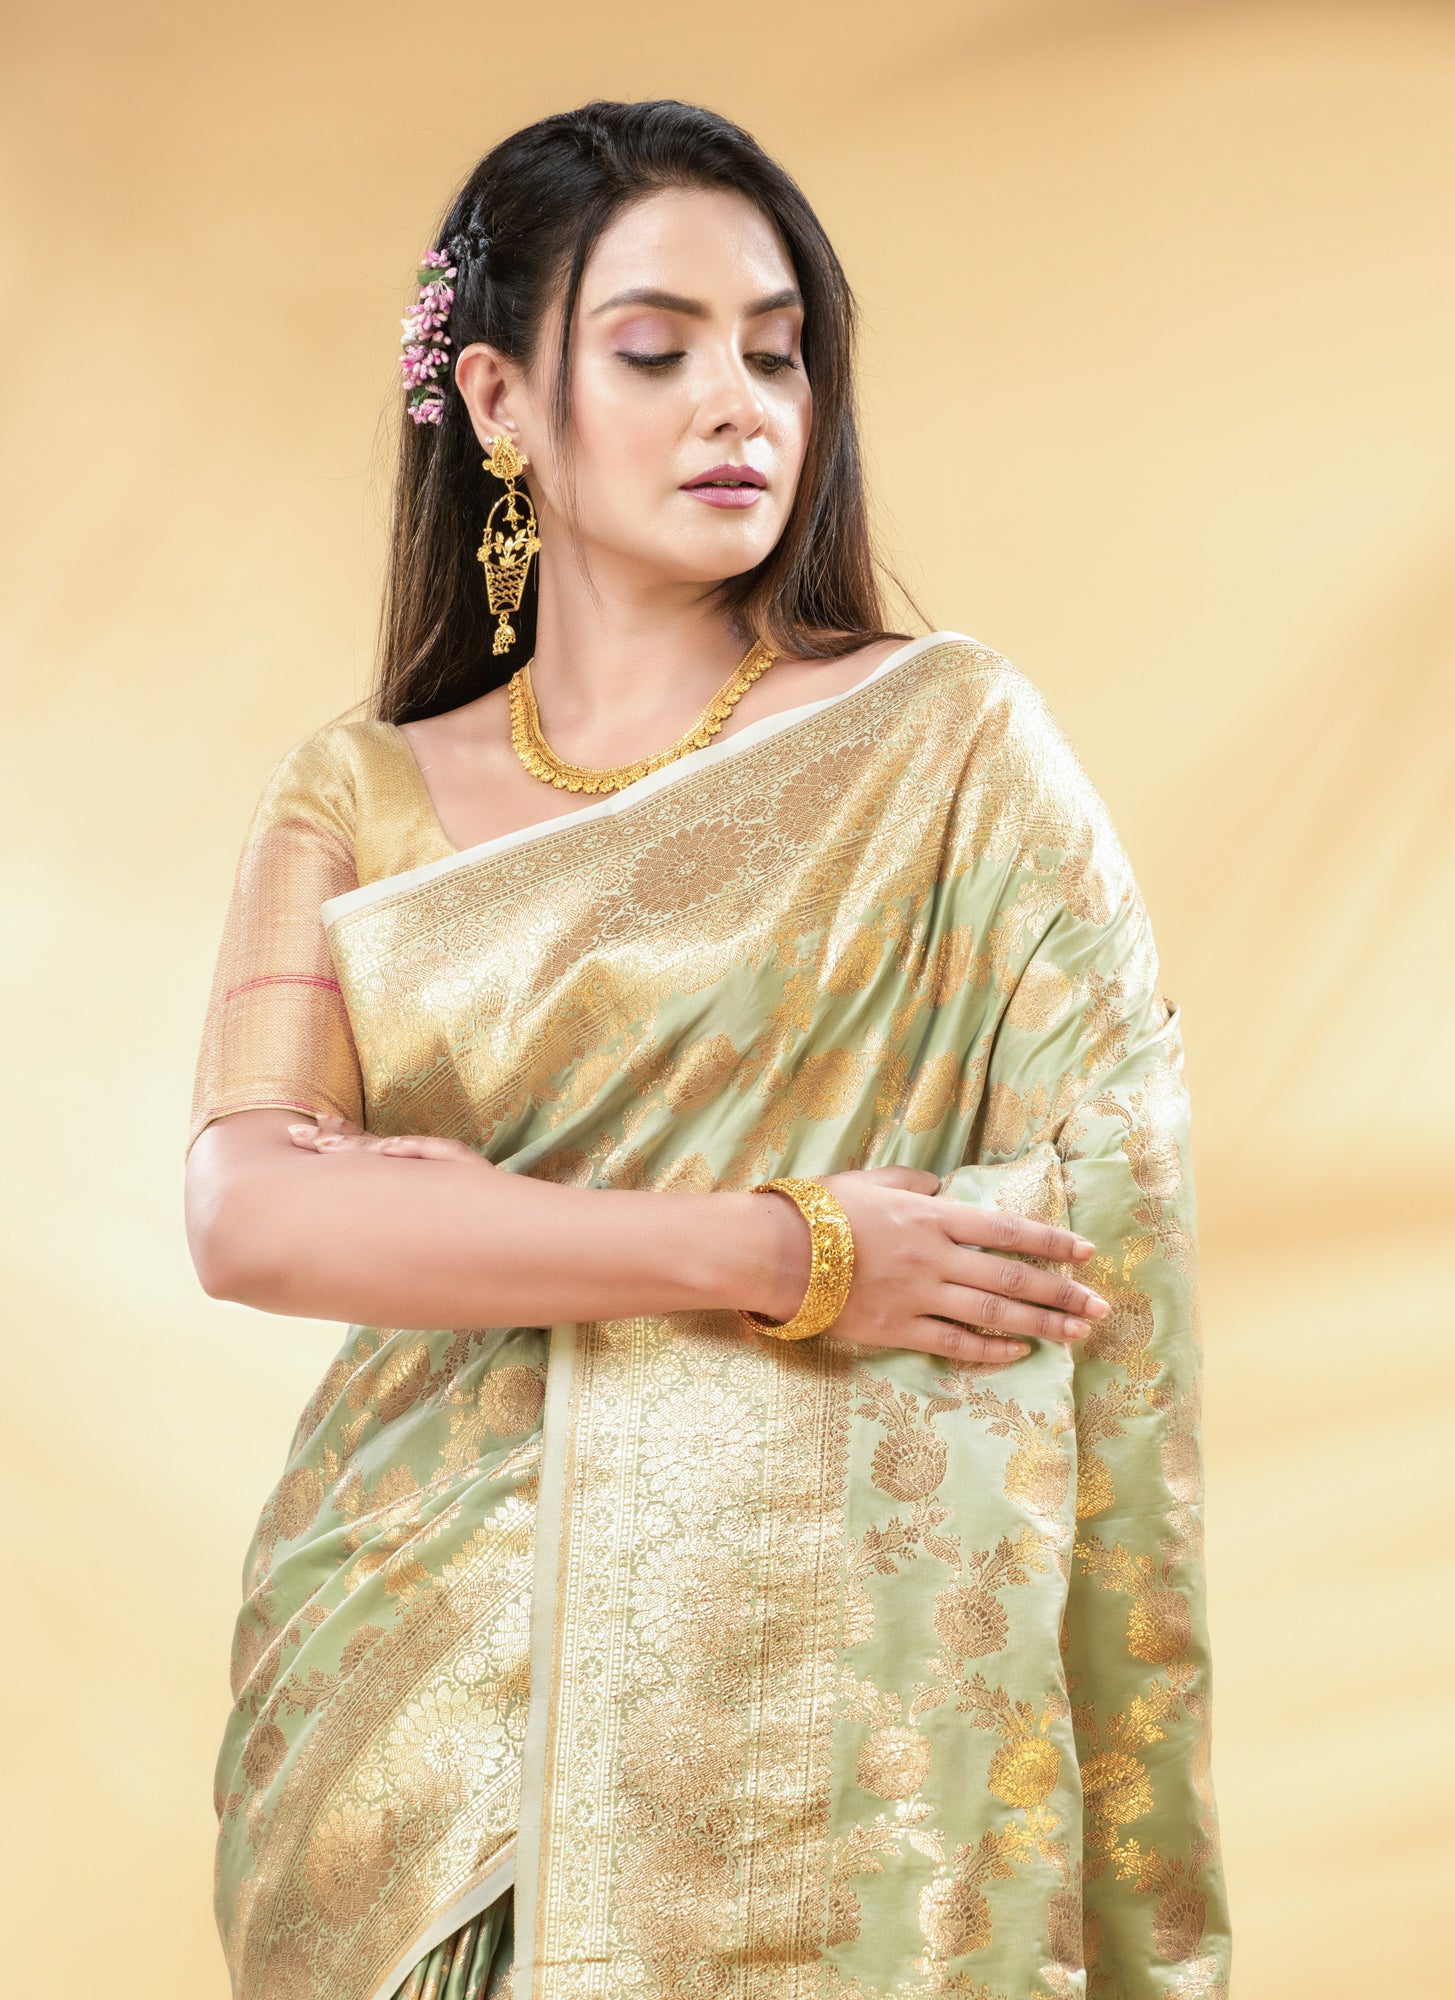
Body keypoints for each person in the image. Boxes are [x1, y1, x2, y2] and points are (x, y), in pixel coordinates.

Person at [184, 97, 1230, 2000]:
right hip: (413, 1681)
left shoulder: (947, 749)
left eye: (777, 352)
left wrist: (479, 1217)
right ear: (501, 402)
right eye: (657, 352)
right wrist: (788, 1249)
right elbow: (251, 1216)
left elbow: (1104, 1206)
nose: (738, 405)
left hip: (833, 1708)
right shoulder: (360, 794)